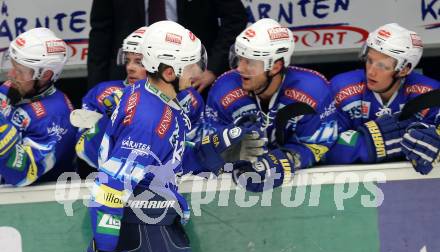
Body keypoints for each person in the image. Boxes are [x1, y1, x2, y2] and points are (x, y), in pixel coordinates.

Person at [80, 20, 255, 252]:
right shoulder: (150, 117)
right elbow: (113, 187)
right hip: (148, 230)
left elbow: (165, 163)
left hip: (153, 226)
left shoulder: (160, 100)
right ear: (169, 70)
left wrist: (213, 147)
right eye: (192, 65)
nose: (199, 71)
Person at [202, 18, 338, 192]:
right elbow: (206, 142)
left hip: (301, 194)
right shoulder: (223, 90)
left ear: (275, 66)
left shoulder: (313, 90)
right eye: (239, 59)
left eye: (249, 62)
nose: (240, 68)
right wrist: (230, 155)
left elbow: (320, 144)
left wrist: (290, 158)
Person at [76, 25, 205, 177]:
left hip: (174, 183)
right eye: (128, 60)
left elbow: (197, 150)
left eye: (139, 62)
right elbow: (82, 149)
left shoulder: (189, 98)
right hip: (115, 180)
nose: (130, 67)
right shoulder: (103, 94)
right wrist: (108, 120)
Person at [324, 23, 440, 165]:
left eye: (382, 66)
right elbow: (323, 146)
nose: (371, 71)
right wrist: (376, 142)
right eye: (369, 60)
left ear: (404, 69)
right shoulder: (340, 88)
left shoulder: (430, 94)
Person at [86, 0, 248, 92]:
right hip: (131, 83)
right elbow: (101, 32)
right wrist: (95, 90)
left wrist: (212, 68)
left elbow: (235, 19)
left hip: (192, 79)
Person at [0, 27, 77, 186]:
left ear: (46, 75)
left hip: (34, 203)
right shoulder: (14, 87)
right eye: (13, 66)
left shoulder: (56, 118)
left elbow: (20, 175)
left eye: (19, 71)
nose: (10, 75)